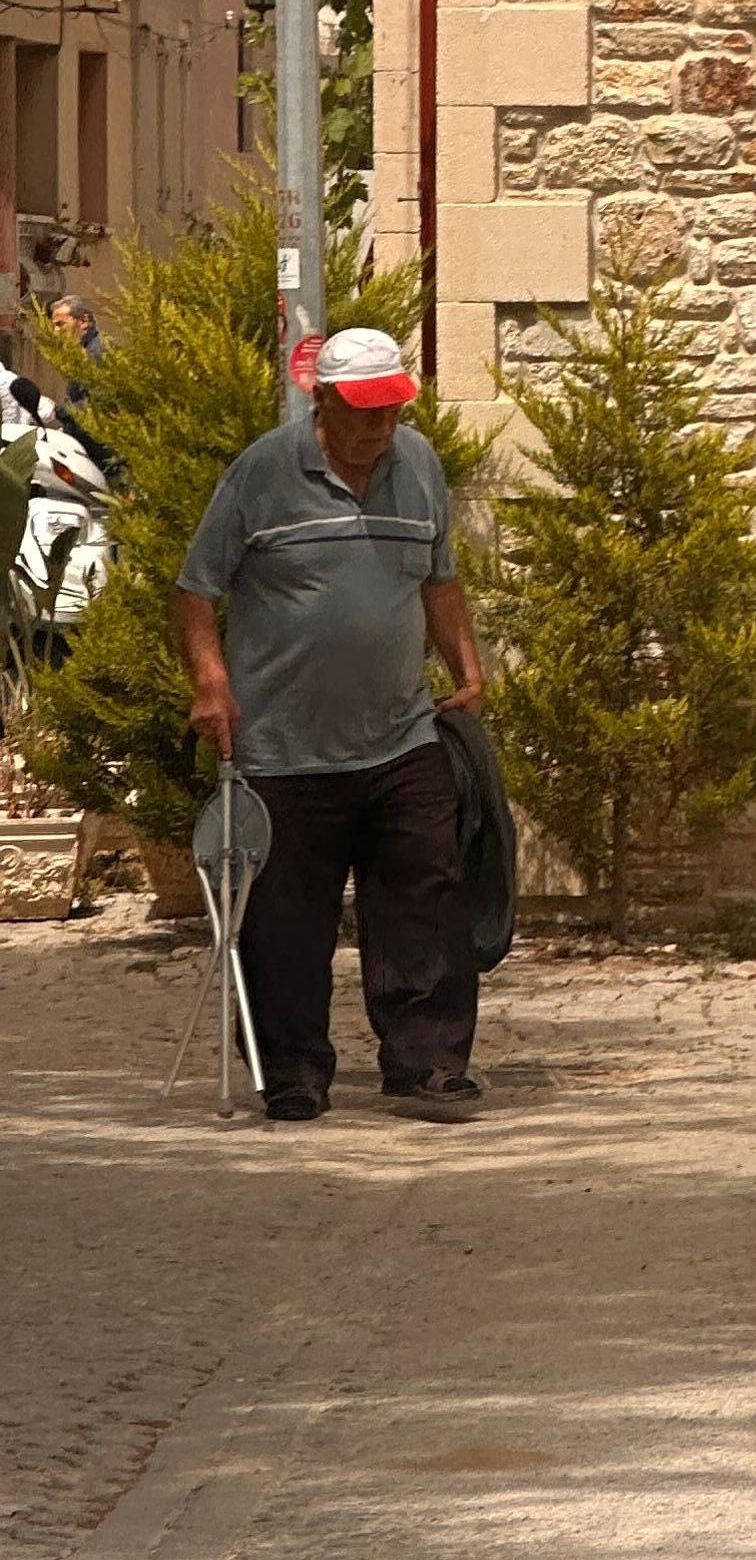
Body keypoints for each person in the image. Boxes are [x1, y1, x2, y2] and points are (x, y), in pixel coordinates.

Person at [172, 327, 488, 1121]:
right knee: (285, 921)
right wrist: (212, 686)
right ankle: (292, 1070)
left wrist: (468, 670)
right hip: (284, 745)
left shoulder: (419, 465)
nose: (381, 426)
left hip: (402, 734)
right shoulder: (264, 471)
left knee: (425, 898)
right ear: (323, 400)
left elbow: (440, 581)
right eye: (365, 410)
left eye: (392, 409)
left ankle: (427, 1064)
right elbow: (196, 589)